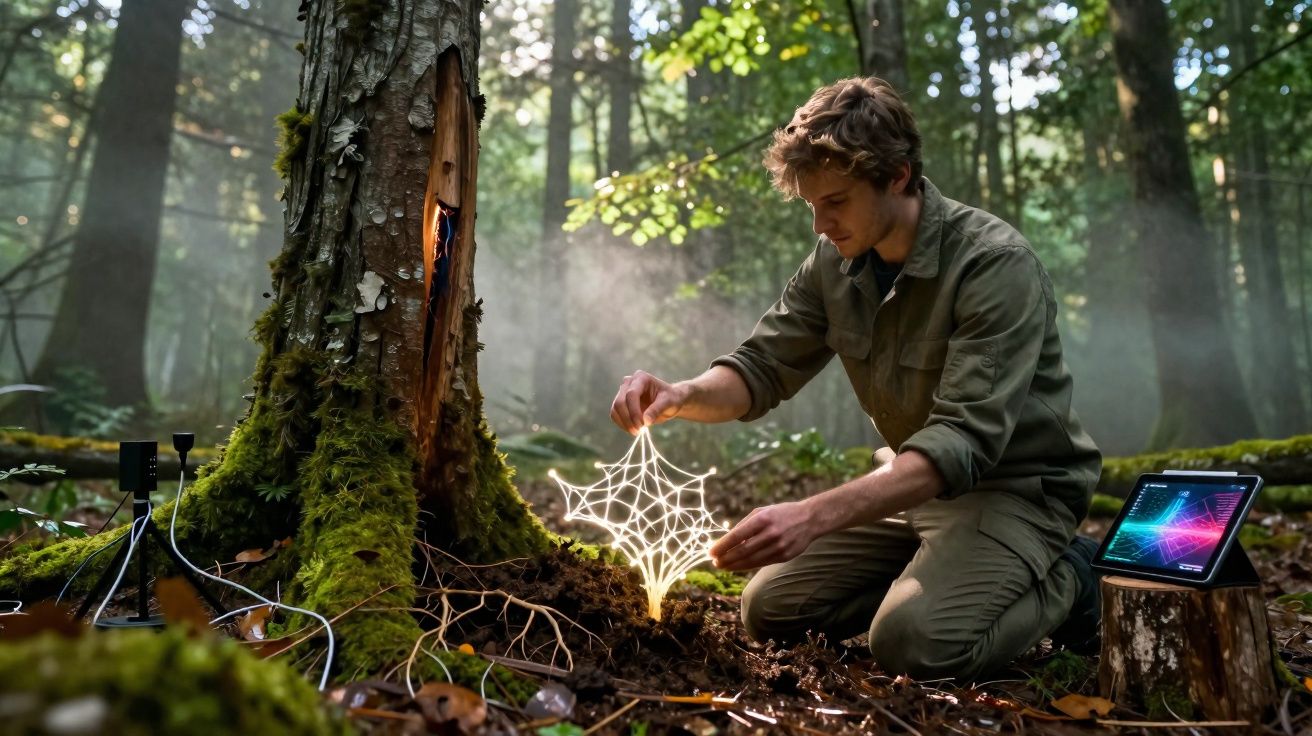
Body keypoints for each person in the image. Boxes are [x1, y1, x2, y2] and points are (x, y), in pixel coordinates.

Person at [609, 77, 1103, 681]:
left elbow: (962, 442)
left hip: (1017, 493)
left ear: (897, 175)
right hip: (909, 492)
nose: (821, 224)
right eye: (811, 205)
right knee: (769, 609)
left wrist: (812, 515)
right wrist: (681, 395)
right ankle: (945, 576)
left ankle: (1073, 576)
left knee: (914, 644)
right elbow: (760, 368)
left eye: (836, 201)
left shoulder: (993, 264)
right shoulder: (835, 262)